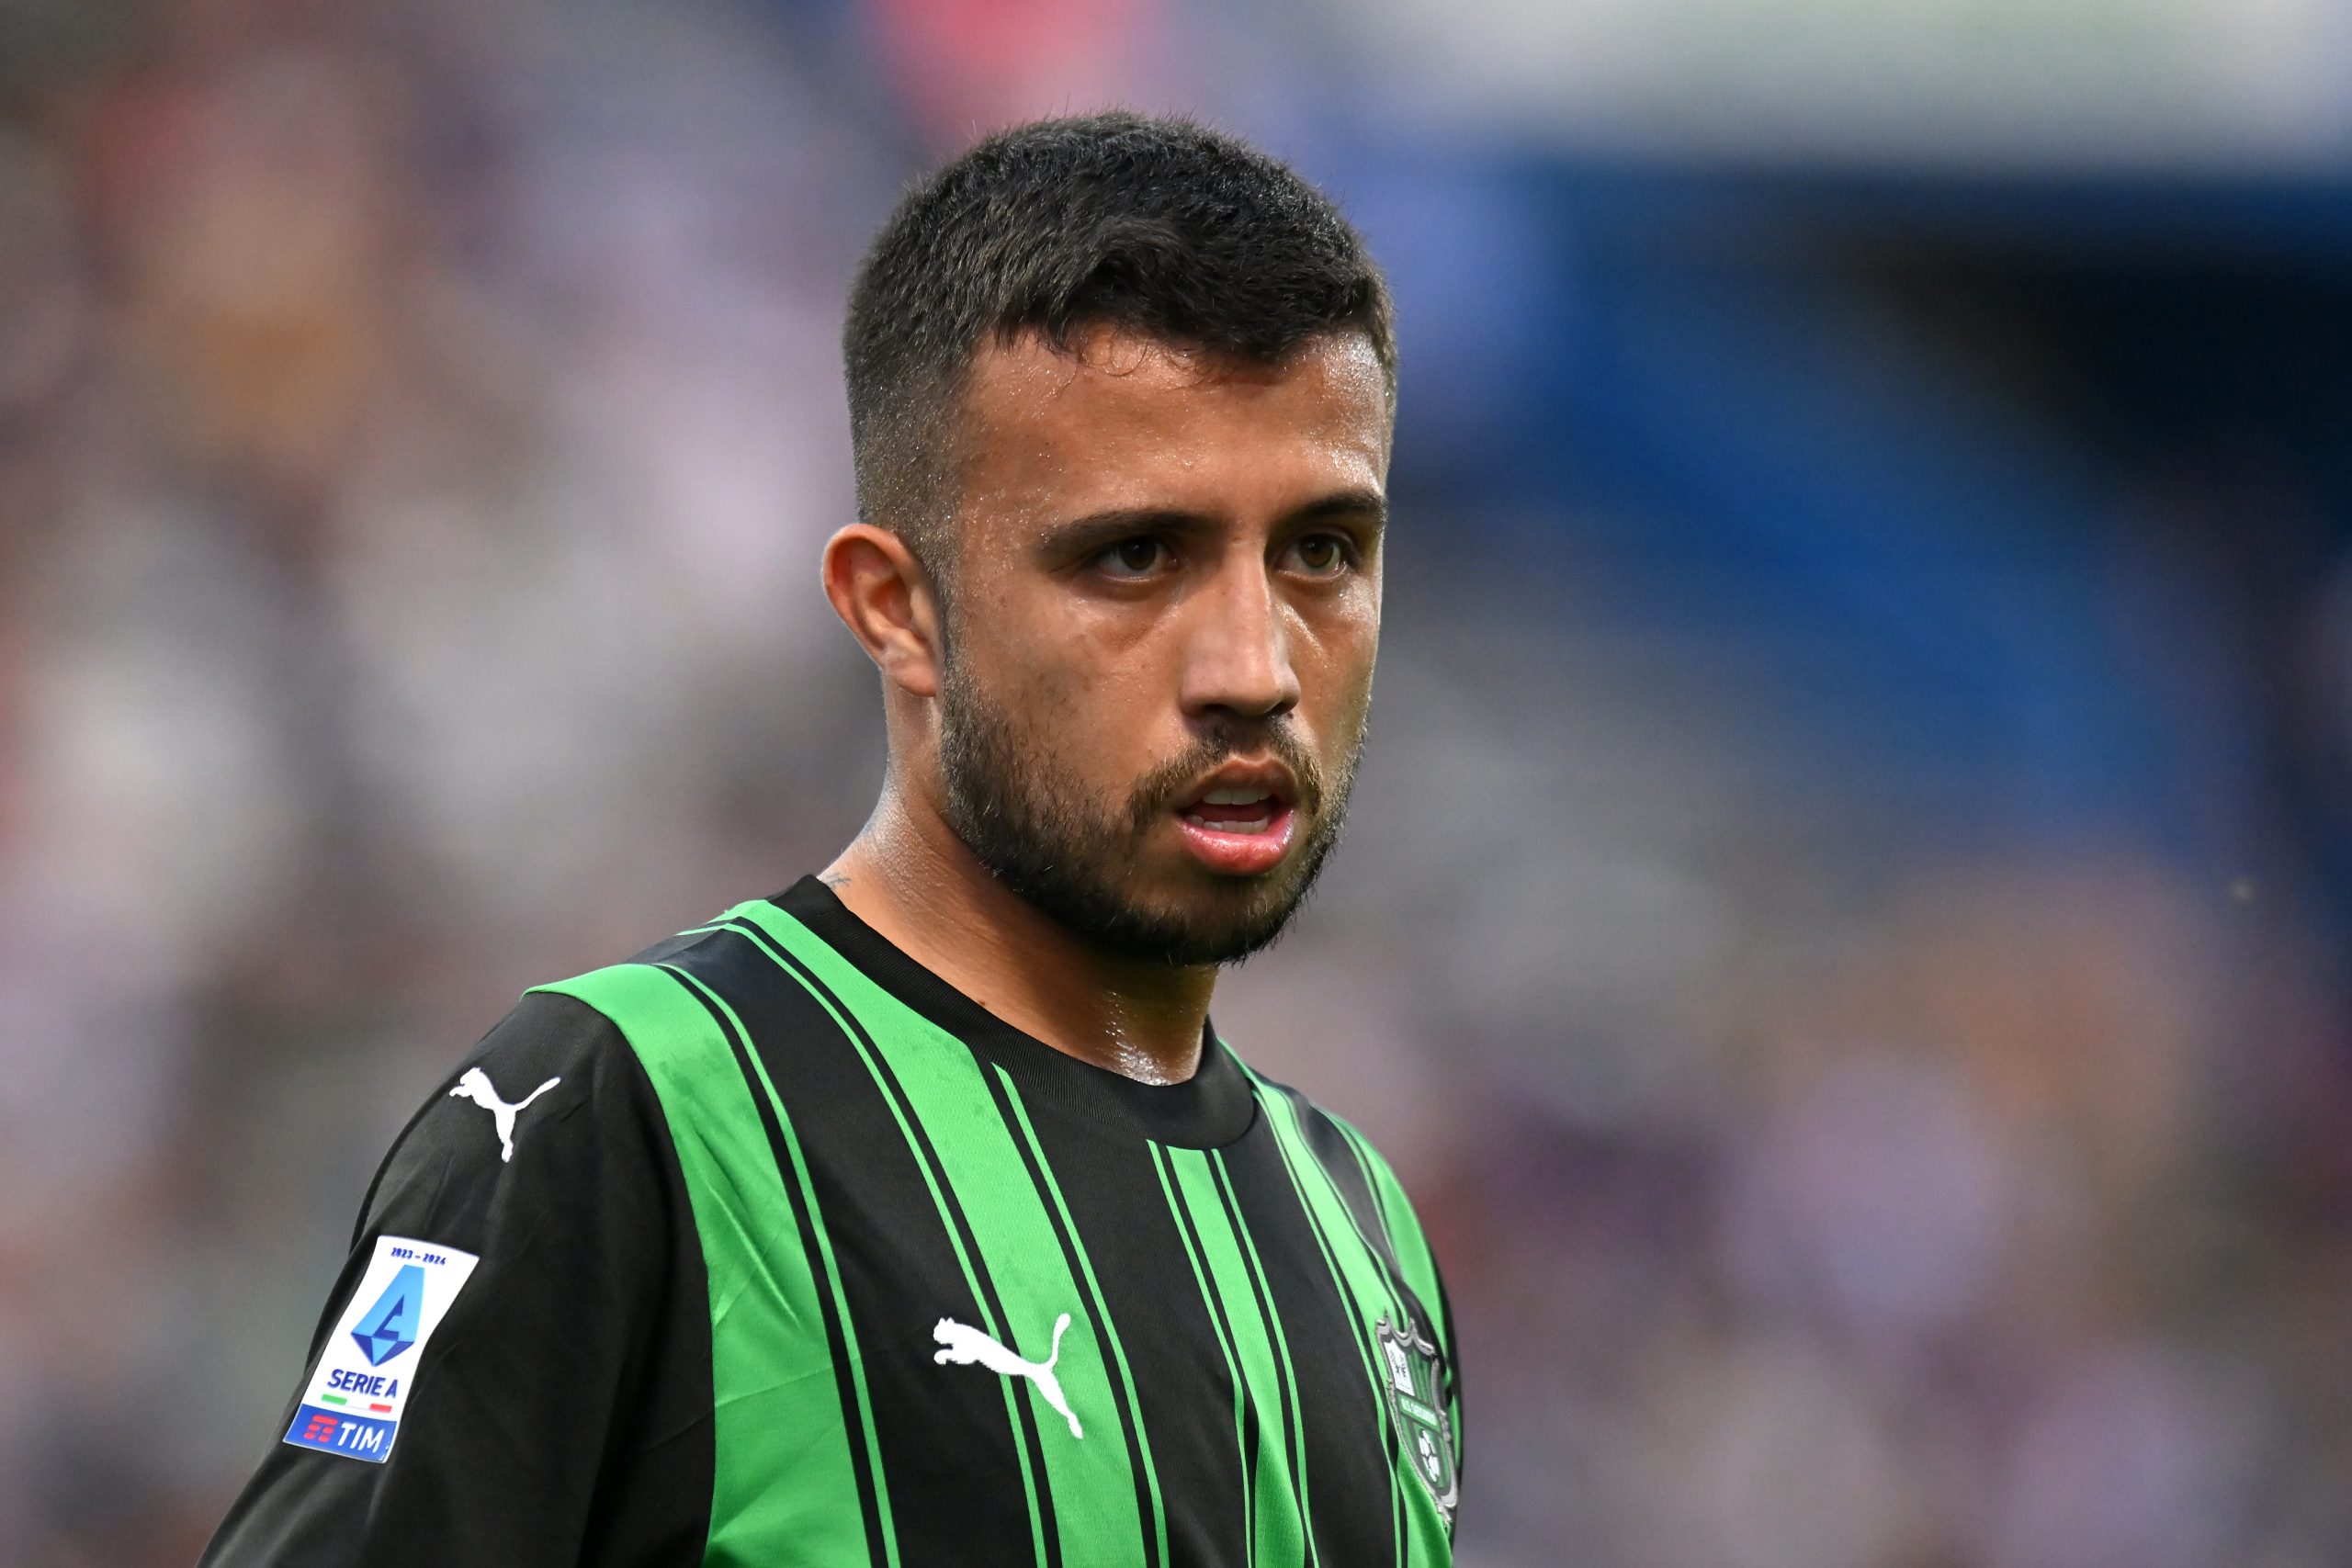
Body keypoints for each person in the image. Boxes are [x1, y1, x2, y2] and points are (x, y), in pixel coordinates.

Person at [201, 110, 1460, 1567]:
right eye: (1134, 556)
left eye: (1321, 550)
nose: (1255, 662)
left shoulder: (1358, 1231)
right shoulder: (625, 1117)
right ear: (897, 610)